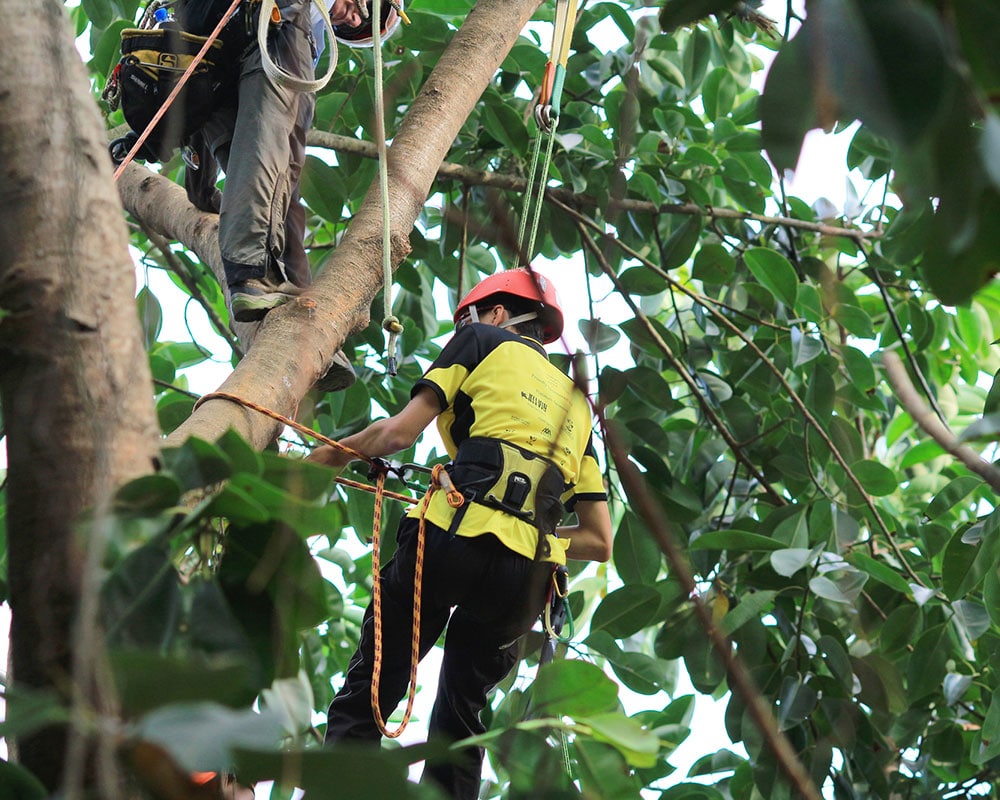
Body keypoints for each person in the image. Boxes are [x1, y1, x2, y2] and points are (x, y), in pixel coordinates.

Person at [308, 268, 613, 799]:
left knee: (374, 685)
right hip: (526, 580)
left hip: (452, 539)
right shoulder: (578, 404)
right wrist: (535, 534)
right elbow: (600, 541)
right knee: (462, 719)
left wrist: (328, 455)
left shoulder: (479, 340)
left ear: (496, 314)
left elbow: (399, 432)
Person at [191, 0, 403, 387]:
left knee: (272, 180)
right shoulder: (301, 19)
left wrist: (200, 188)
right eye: (359, 12)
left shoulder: (313, 27)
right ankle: (252, 271)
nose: (350, 19)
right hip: (272, 29)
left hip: (212, 44)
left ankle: (299, 310)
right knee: (276, 151)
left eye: (355, 24)